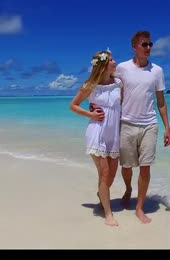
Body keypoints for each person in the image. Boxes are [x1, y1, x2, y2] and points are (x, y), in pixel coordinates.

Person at [114, 30, 170, 224]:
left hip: (149, 124)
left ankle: (139, 207)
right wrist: (94, 101)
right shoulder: (122, 68)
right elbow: (104, 80)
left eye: (150, 44)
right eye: (144, 44)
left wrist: (167, 128)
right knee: (127, 166)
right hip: (127, 123)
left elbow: (161, 102)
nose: (148, 48)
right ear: (134, 47)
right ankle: (129, 189)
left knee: (145, 167)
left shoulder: (157, 71)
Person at [69, 48, 122, 227]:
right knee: (104, 172)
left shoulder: (118, 83)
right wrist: (90, 114)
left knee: (112, 173)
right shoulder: (90, 85)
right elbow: (73, 105)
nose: (115, 62)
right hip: (97, 130)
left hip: (113, 132)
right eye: (112, 60)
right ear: (104, 64)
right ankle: (108, 213)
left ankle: (102, 194)